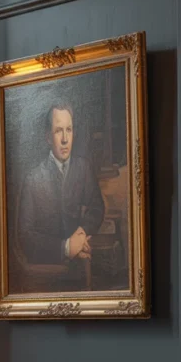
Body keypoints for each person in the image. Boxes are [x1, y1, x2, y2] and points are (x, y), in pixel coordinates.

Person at [14, 100, 105, 288]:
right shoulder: (33, 178)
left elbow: (97, 208)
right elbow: (25, 236)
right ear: (48, 137)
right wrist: (65, 248)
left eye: (69, 130)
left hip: (79, 265)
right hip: (44, 273)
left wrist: (81, 236)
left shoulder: (83, 168)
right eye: (58, 131)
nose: (65, 139)